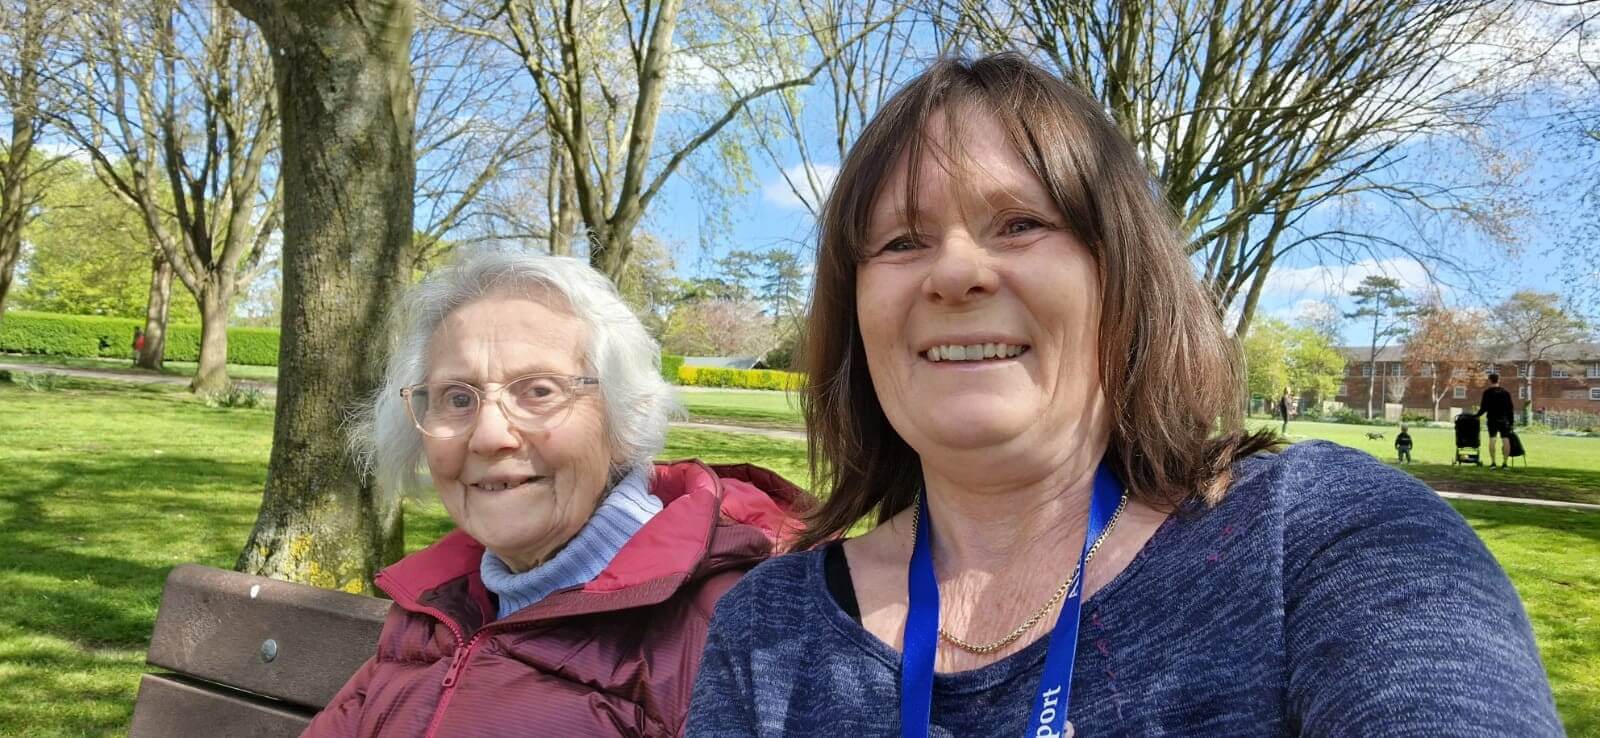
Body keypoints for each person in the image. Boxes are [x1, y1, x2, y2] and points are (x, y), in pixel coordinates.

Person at [687, 54, 1559, 737]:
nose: (954, 271)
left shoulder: (1325, 543)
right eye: (902, 240)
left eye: (1022, 222)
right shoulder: (771, 634)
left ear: (1124, 280)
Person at [303, 250, 805, 737]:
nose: (488, 435)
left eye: (538, 391)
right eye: (457, 398)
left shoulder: (738, 627)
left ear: (621, 416)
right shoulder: (433, 604)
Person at [1475, 372, 1516, 468]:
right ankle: (1505, 463)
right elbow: (1510, 409)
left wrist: (1476, 415)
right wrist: (1511, 422)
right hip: (1504, 420)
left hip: (1492, 419)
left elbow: (1483, 408)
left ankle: (1493, 463)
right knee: (1506, 440)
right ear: (1499, 380)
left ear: (1490, 380)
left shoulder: (1487, 393)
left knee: (1492, 439)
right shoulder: (1505, 393)